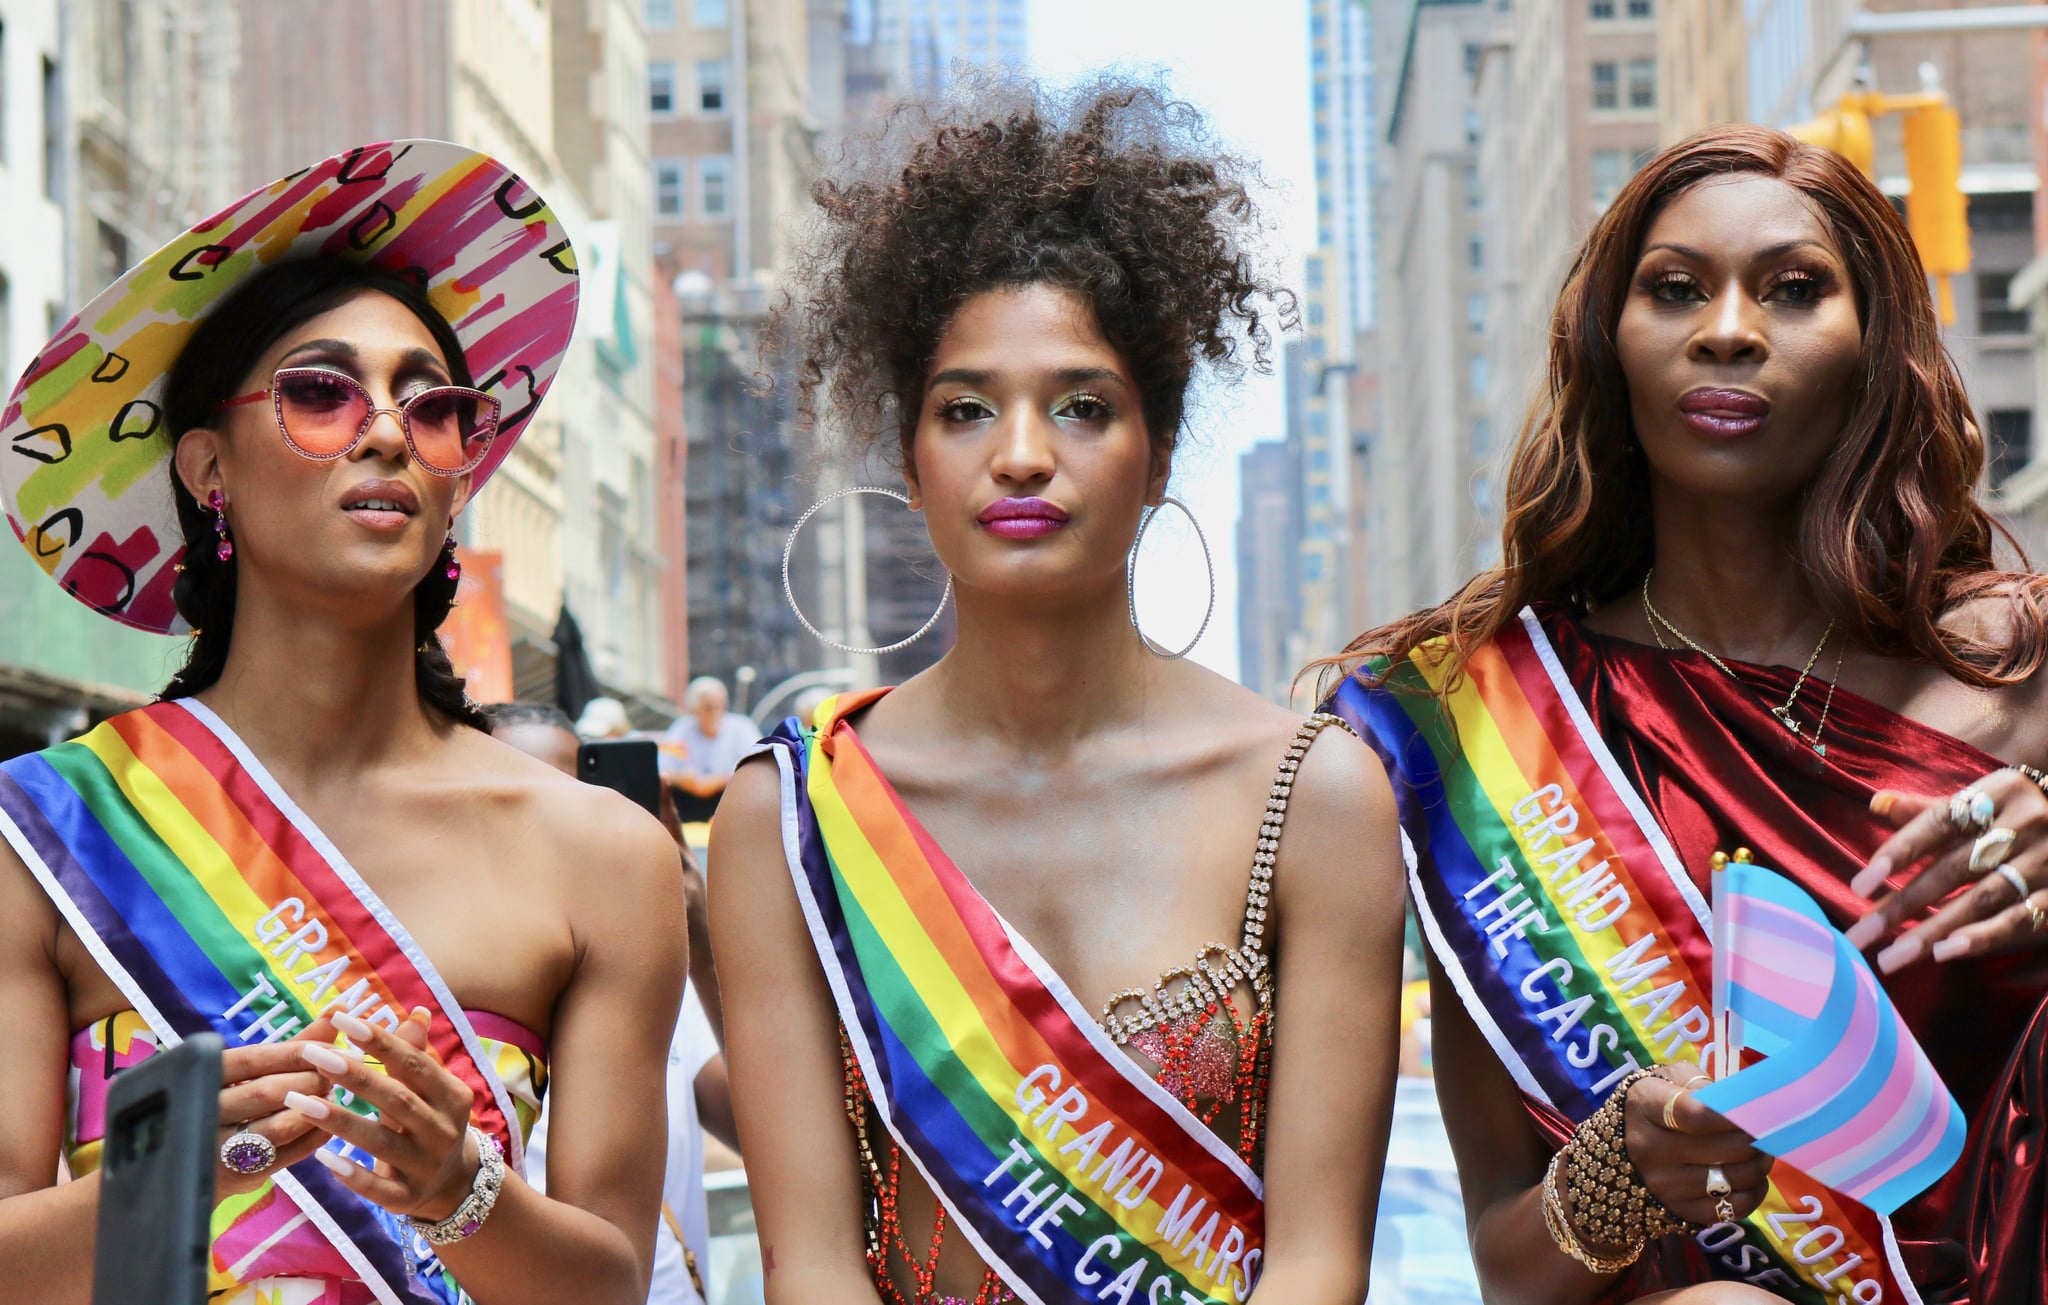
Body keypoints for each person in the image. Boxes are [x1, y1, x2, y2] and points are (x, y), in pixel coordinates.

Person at [709, 76, 1409, 1305]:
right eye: (964, 408)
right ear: (911, 462)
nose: (1021, 453)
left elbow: (1314, 1267)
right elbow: (811, 1265)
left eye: (1080, 408)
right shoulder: (788, 820)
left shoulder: (1315, 796)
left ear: (1158, 455)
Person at [1325, 124, 2048, 1302]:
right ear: (1609, 344)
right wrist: (1618, 1170)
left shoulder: (2020, 669)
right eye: (1673, 290)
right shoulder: (1478, 735)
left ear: (1874, 347)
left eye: (1793, 289)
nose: (1726, 328)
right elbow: (1506, 1268)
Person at [0, 141, 686, 1305]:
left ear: (457, 475)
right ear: (208, 467)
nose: (384, 432)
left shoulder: (603, 855)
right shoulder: (47, 834)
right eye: (322, 392)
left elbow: (612, 1282)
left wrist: (461, 1190)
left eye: (432, 408)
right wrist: (167, 1174)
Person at [482, 703, 738, 1305]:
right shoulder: (441, 998)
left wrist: (699, 936)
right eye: (521, 804)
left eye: (579, 799)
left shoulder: (661, 981)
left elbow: (767, 1128)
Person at [660, 677, 757, 823]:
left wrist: (721, 780)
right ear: (694, 709)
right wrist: (681, 779)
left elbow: (756, 768)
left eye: (719, 706)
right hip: (689, 803)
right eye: (708, 707)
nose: (715, 712)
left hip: (732, 803)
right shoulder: (682, 728)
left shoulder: (741, 727)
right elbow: (661, 767)